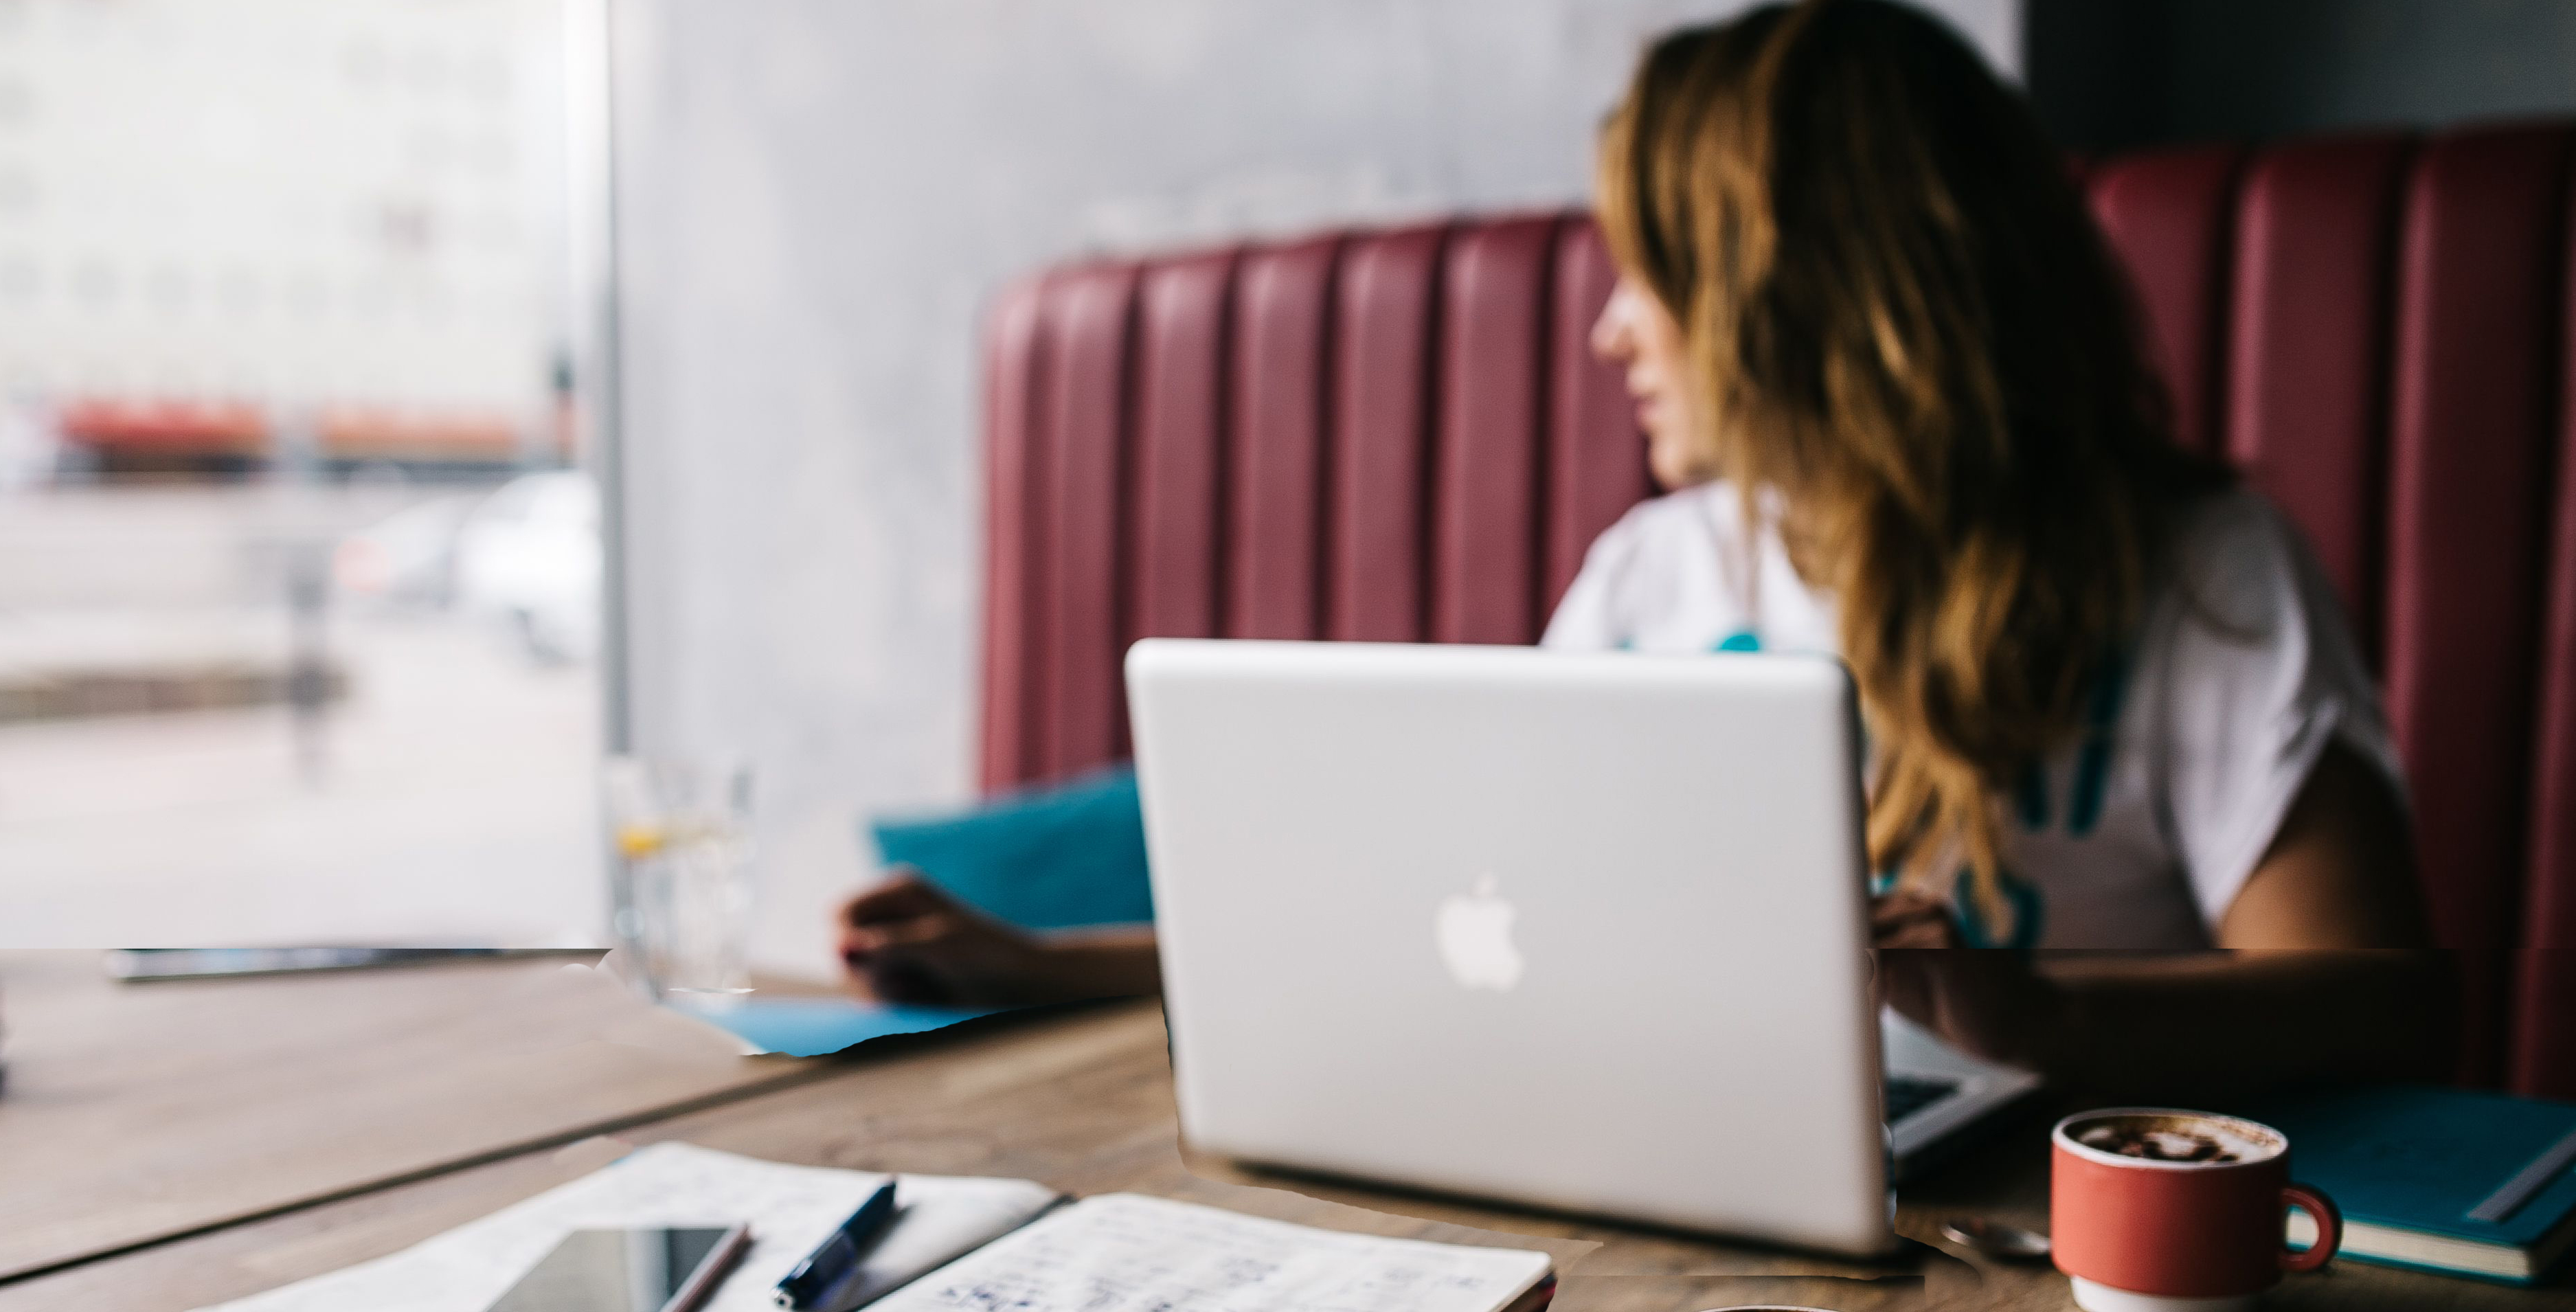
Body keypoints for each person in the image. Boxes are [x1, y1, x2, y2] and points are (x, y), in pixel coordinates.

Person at [839, 0, 2448, 1098]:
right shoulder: (1650, 578)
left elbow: (2378, 996)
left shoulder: (2204, 578)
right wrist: (1036, 962)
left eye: (1658, 272)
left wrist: (2030, 1015)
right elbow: (1445, 931)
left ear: (1827, 301)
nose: (1613, 329)